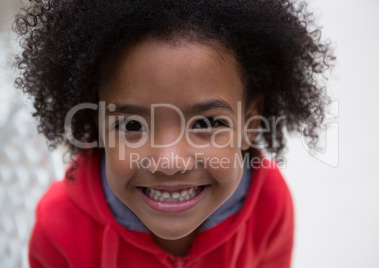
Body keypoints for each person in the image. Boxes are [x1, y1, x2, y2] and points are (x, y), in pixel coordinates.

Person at [13, 0, 334, 267]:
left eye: (206, 124)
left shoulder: (269, 204)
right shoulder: (59, 228)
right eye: (132, 126)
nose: (169, 162)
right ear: (98, 127)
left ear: (250, 125)